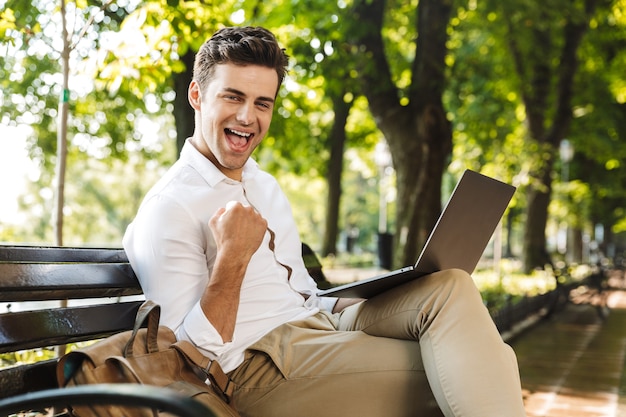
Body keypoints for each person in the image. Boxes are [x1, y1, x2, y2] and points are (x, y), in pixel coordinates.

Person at [123, 26, 526, 417]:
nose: (248, 116)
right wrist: (233, 256)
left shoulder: (263, 184)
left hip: (319, 324)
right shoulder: (168, 207)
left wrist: (379, 292)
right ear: (197, 96)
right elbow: (187, 360)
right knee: (479, 366)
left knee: (450, 286)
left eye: (263, 103)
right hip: (252, 370)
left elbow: (303, 294)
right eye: (233, 97)